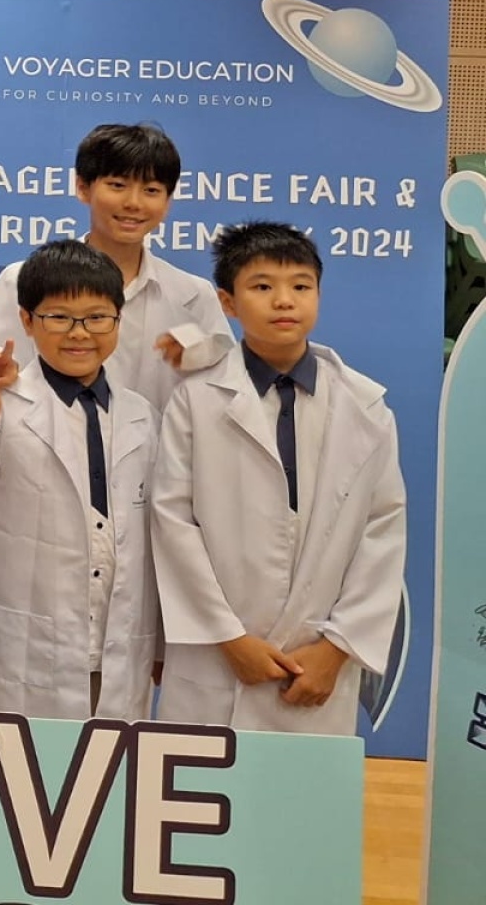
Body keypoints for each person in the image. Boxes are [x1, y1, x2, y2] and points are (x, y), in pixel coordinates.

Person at [152, 222, 406, 736]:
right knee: (202, 781)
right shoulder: (196, 400)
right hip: (216, 658)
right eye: (262, 286)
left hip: (316, 662)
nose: (284, 300)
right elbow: (172, 521)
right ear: (228, 302)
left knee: (300, 787)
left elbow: (383, 530)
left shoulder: (365, 407)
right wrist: (228, 637)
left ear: (319, 294)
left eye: (301, 285)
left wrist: (336, 648)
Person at [0, 239, 160, 721]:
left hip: (115, 649)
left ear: (118, 320)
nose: (79, 333)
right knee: (15, 763)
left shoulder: (142, 416)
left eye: (97, 317)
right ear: (27, 321)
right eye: (59, 317)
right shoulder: (0, 405)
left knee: (111, 764)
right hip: (21, 651)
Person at [0, 123, 231, 411]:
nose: (133, 203)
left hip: (159, 440)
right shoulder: (23, 279)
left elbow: (224, 394)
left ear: (168, 200)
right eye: (117, 185)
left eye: (151, 190)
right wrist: (1, 380)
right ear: (83, 188)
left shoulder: (193, 295)